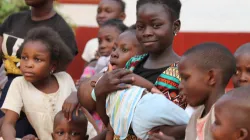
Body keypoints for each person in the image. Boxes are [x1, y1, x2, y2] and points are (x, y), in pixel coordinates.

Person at [94, 0, 187, 139]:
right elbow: (112, 119)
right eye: (140, 26)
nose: (147, 32)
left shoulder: (184, 72)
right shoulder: (132, 63)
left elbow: (180, 125)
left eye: (156, 25)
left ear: (176, 26)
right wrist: (99, 91)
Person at [0, 0, 78, 137]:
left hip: (36, 107)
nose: (29, 63)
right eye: (24, 57)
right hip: (9, 92)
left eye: (37, 59)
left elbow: (59, 84)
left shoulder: (62, 30)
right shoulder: (13, 20)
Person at [78, 27, 144, 131]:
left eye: (124, 49)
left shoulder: (142, 80)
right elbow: (87, 101)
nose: (114, 54)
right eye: (114, 48)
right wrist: (99, 88)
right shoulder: (108, 74)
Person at [178, 42, 236, 140]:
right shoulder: (196, 116)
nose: (180, 86)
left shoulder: (225, 117)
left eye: (186, 78)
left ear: (211, 77)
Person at [82, 0, 126, 65]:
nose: (101, 15)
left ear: (122, 16)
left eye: (108, 11)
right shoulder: (91, 44)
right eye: (99, 11)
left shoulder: (129, 42)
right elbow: (86, 73)